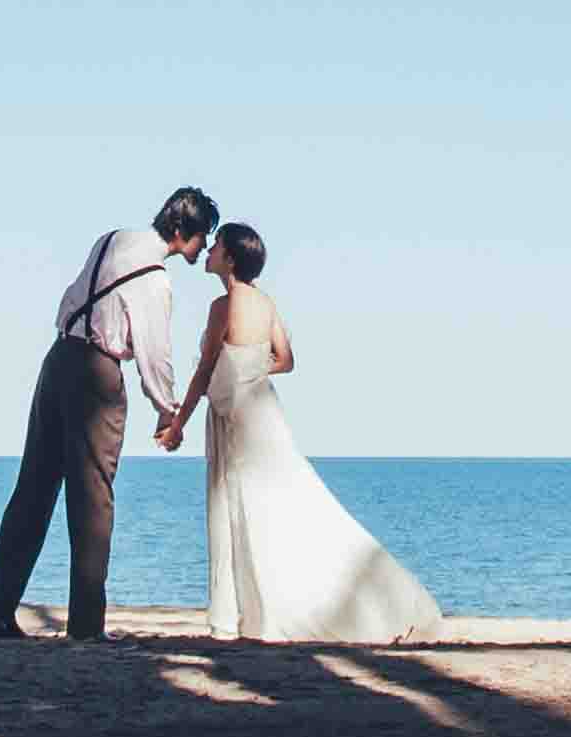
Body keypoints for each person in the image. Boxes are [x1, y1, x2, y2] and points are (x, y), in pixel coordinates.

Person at [158, 221, 440, 644]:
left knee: (241, 510)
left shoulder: (224, 306)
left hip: (237, 418)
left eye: (217, 246)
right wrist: (249, 371)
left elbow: (203, 371)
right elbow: (285, 359)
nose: (211, 251)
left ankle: (246, 616)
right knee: (284, 506)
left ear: (230, 258)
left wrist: (178, 422)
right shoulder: (266, 303)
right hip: (263, 411)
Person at [0, 185, 211, 640]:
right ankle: (86, 627)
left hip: (57, 361)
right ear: (184, 230)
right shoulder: (156, 280)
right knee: (92, 502)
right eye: (204, 234)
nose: (205, 245)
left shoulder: (111, 238)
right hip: (97, 373)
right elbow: (154, 353)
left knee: (32, 490)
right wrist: (167, 412)